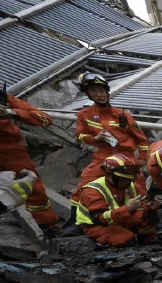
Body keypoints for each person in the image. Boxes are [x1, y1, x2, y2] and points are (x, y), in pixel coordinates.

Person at [67, 73, 148, 231]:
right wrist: (95, 138)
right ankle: (76, 221)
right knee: (84, 185)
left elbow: (142, 139)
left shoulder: (123, 115)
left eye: (101, 90)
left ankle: (143, 220)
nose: (99, 94)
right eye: (94, 91)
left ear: (107, 92)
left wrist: (142, 159)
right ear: (88, 94)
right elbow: (80, 136)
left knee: (138, 187)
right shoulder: (84, 115)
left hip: (127, 158)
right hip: (102, 158)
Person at [0, 86, 60, 233]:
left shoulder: (1, 97)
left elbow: (43, 117)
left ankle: (47, 225)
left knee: (33, 186)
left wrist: (11, 113)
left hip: (11, 150)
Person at [75, 154, 157, 247]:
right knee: (127, 240)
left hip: (119, 217)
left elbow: (143, 200)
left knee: (148, 217)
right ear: (110, 176)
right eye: (124, 179)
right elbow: (102, 219)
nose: (128, 182)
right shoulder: (92, 191)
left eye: (130, 179)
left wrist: (149, 206)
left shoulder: (130, 186)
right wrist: (128, 208)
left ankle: (145, 239)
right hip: (97, 225)